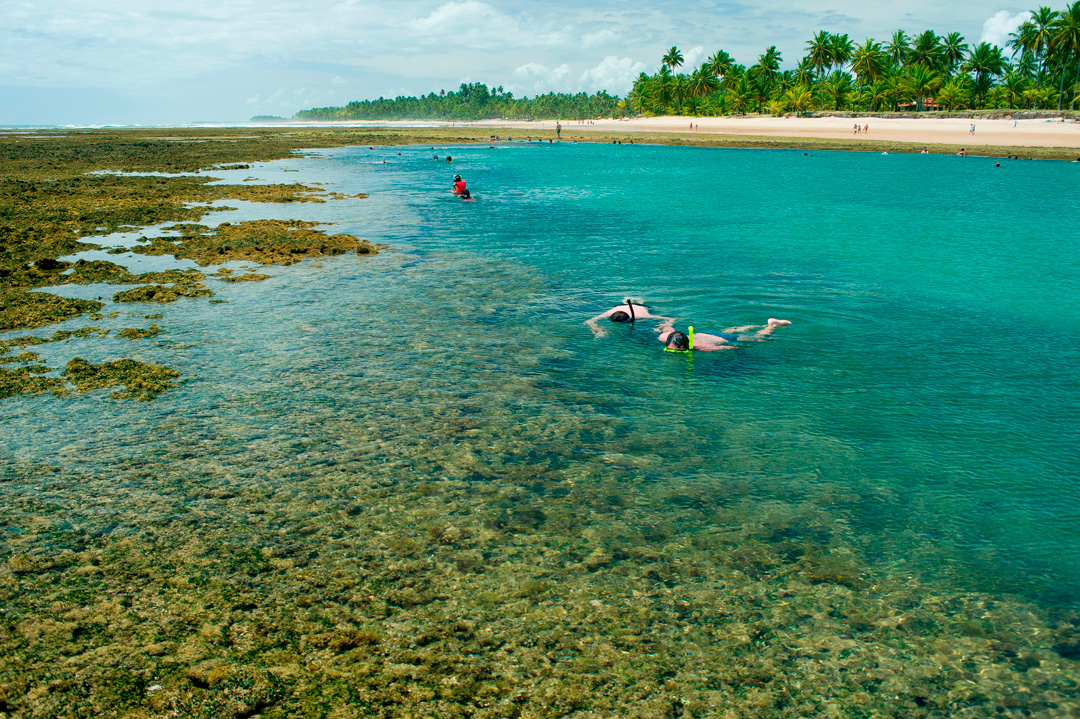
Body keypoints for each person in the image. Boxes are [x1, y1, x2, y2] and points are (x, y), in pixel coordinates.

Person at [659, 318, 792, 352]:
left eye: (675, 350)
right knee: (727, 330)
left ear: (684, 347)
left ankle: (772, 325)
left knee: (760, 340)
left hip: (720, 339)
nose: (671, 351)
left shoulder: (700, 347)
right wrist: (667, 322)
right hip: (706, 333)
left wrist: (738, 348)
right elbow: (668, 330)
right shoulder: (665, 338)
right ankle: (750, 326)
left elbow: (722, 348)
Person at [586, 299, 673, 338]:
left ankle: (637, 300)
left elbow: (671, 319)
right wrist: (597, 330)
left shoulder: (642, 315)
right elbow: (589, 321)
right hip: (620, 306)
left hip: (640, 307)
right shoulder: (609, 313)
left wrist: (665, 325)